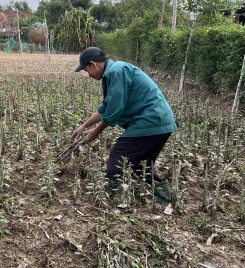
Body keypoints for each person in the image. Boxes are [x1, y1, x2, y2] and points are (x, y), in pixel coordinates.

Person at [71, 47, 177, 203]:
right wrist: (84, 126)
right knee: (142, 165)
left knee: (117, 160)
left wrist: (96, 131)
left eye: (87, 70)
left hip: (149, 121)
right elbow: (106, 107)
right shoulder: (113, 72)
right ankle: (165, 199)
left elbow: (115, 110)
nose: (89, 75)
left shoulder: (116, 72)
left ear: (93, 64)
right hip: (161, 123)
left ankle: (106, 200)